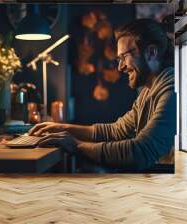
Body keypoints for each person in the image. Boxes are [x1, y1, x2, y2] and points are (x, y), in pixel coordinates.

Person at [29, 19, 176, 172]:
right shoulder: (148, 90)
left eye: (124, 57)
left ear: (151, 52)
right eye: (119, 59)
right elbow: (116, 131)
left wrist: (75, 145)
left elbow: (139, 152)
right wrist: (61, 128)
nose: (120, 67)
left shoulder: (172, 91)